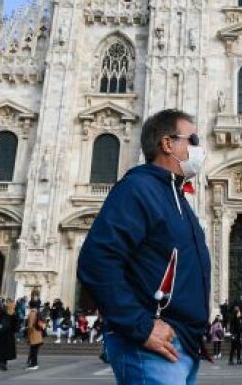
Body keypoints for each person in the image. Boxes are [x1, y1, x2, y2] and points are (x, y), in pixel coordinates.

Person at [78, 109, 212, 385]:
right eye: (193, 140)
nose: (198, 149)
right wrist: (140, 325)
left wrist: (193, 331)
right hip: (149, 347)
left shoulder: (175, 195)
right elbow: (96, 260)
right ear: (167, 144)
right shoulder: (138, 189)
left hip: (179, 344)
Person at [0, 300, 17, 371]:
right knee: (6, 350)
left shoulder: (2, 313)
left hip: (0, 334)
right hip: (9, 335)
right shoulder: (14, 314)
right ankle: (3, 364)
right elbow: (15, 327)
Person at [25, 299, 44, 370]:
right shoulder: (37, 312)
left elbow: (30, 325)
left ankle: (34, 364)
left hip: (33, 334)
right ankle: (33, 363)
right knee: (34, 350)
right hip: (38, 333)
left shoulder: (32, 313)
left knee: (33, 350)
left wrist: (27, 334)